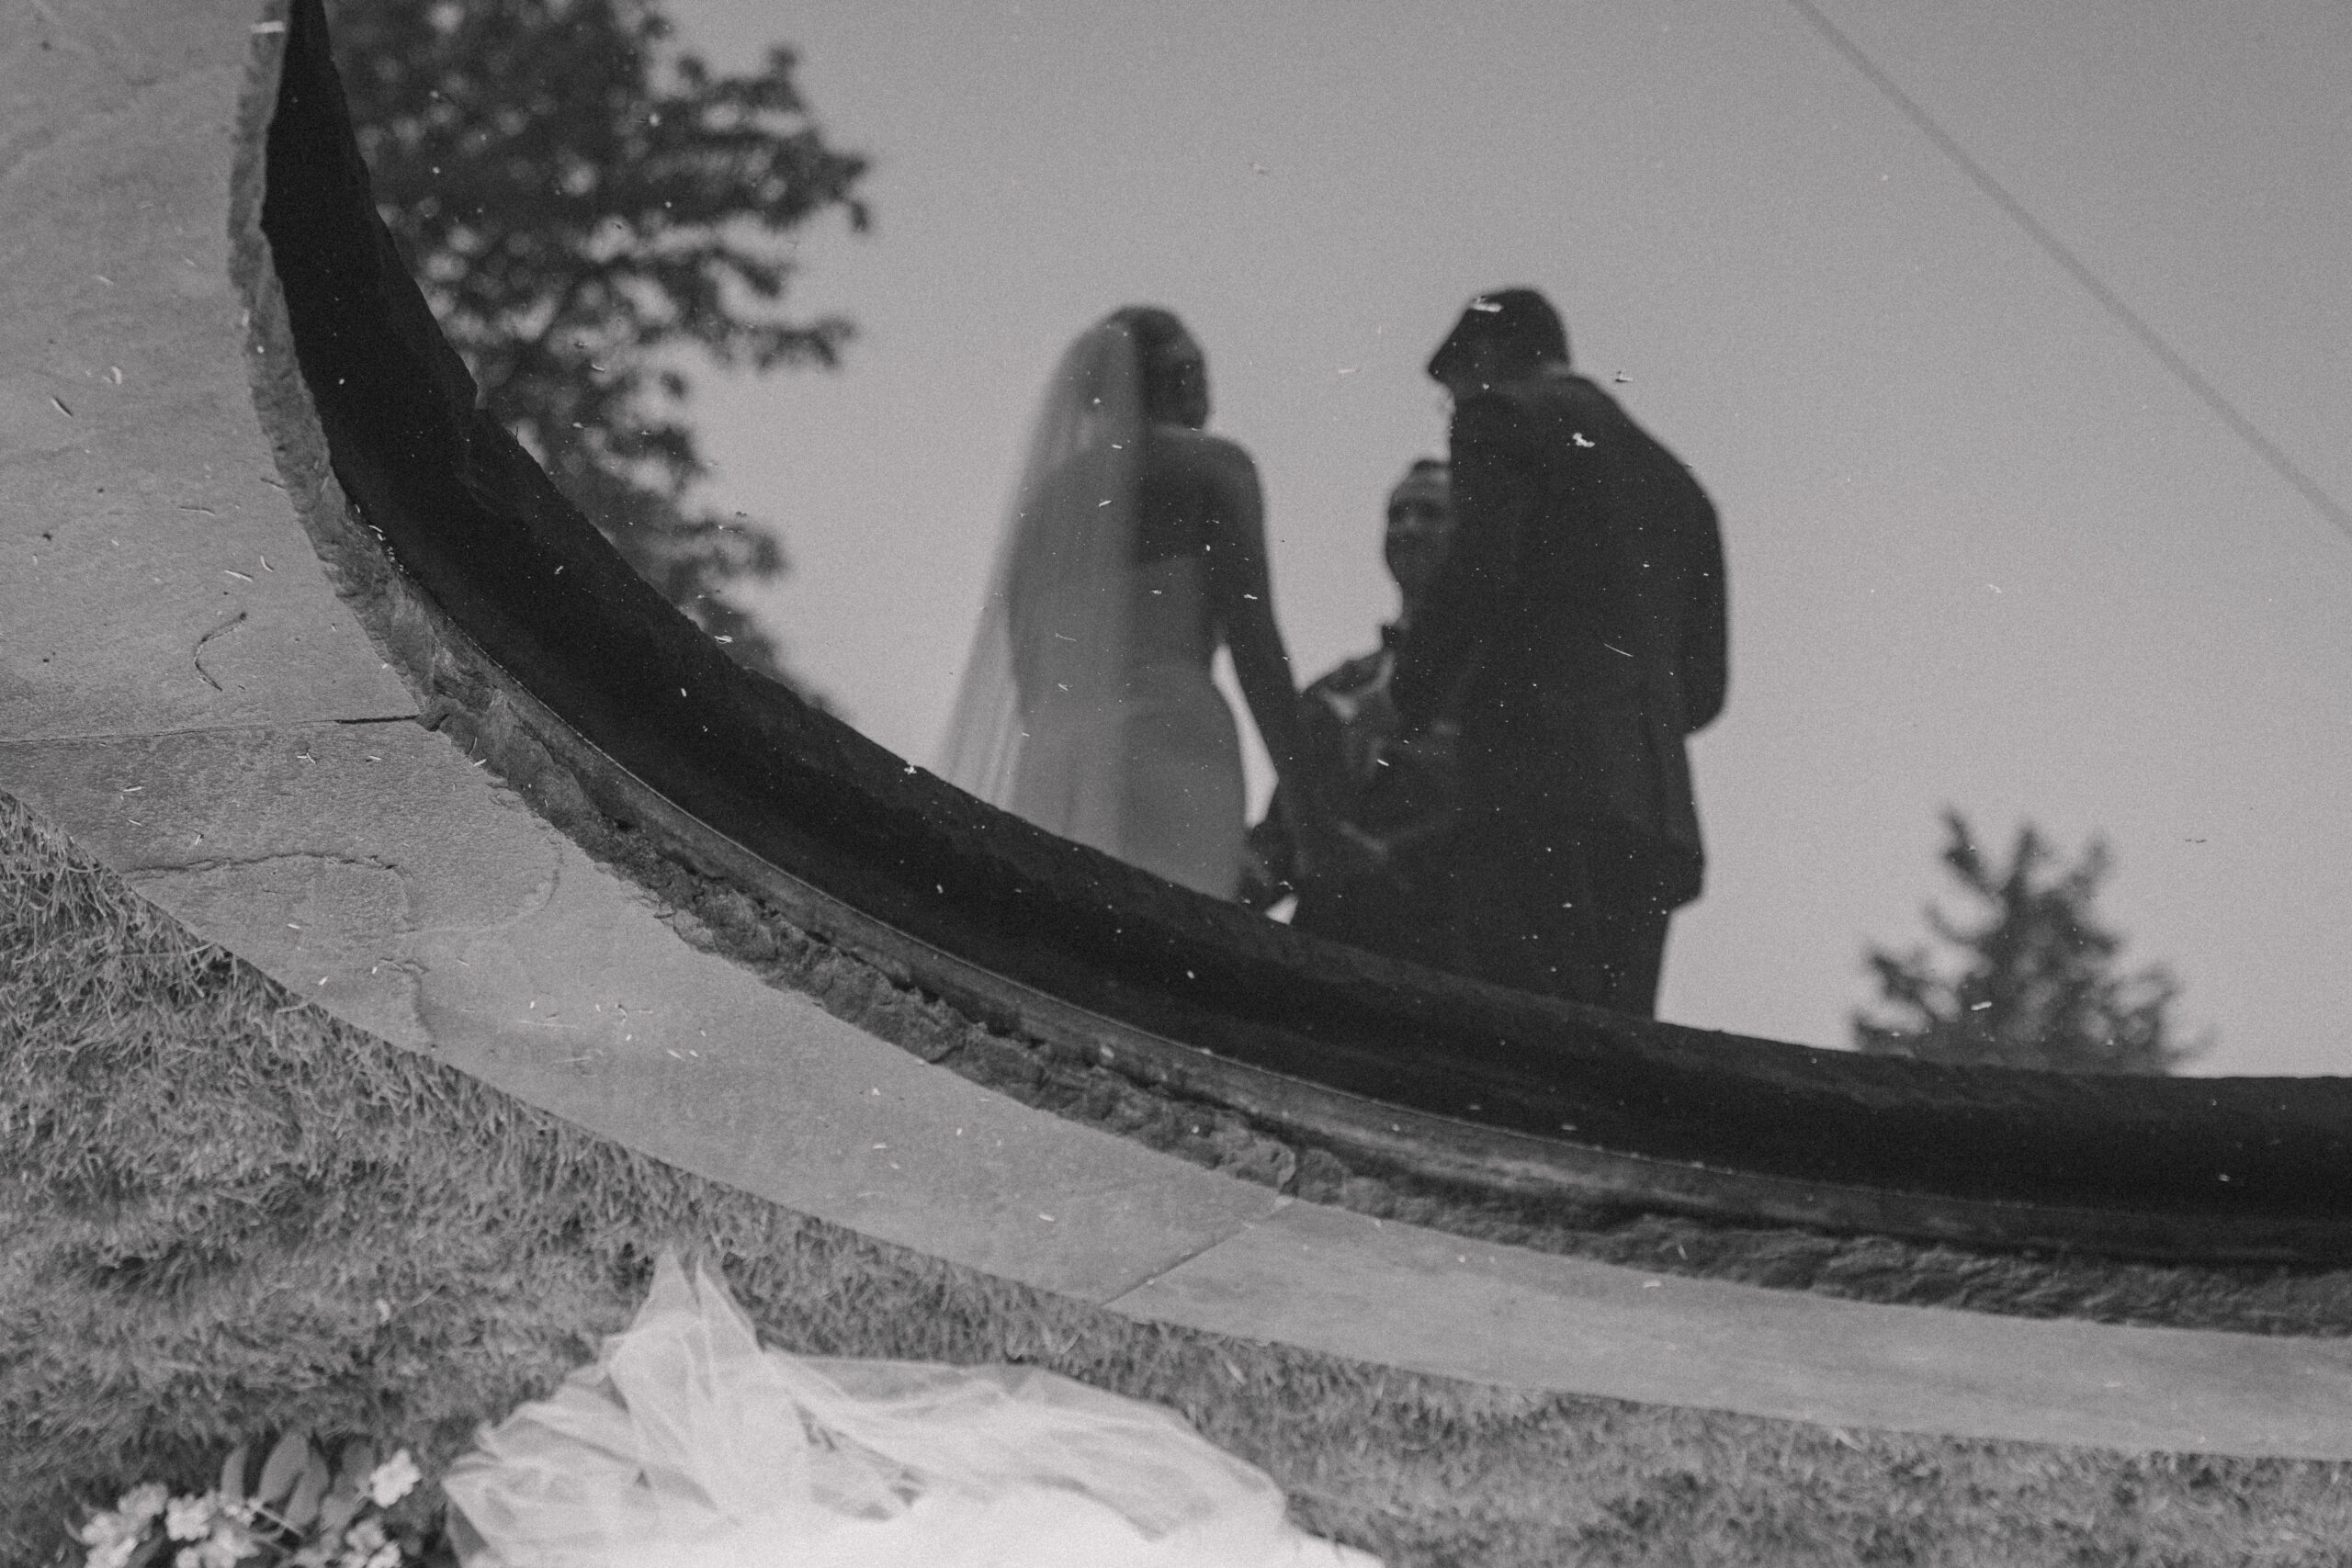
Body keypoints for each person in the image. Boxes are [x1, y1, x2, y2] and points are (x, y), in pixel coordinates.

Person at [1392, 288, 1727, 1015]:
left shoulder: (1503, 417)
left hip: (1533, 785)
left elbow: (1481, 571)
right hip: (1656, 812)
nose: (1454, 409)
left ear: (1482, 359)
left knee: (1524, 1032)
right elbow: (1705, 689)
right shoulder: (1682, 488)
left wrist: (1412, 692)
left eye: (1451, 391)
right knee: (1614, 1050)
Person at [937, 306, 1338, 898]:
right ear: (1184, 378)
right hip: (1171, 740)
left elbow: (1028, 671)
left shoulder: (1048, 501)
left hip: (1054, 755)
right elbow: (1255, 642)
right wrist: (1312, 824)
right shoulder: (1214, 465)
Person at [1244, 459, 1474, 973]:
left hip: (1446, 954)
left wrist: (1390, 859)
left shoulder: (1497, 684)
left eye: (1430, 513)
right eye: (1398, 514)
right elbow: (1283, 832)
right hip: (1322, 950)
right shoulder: (1333, 688)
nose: (1408, 527)